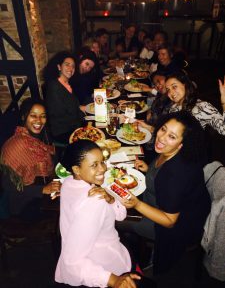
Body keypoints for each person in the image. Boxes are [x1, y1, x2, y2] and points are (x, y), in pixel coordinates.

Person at [120, 111, 211, 275]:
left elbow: (169, 221)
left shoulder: (175, 174)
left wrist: (137, 204)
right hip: (158, 204)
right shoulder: (169, 153)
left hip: (170, 228)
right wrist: (149, 170)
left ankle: (133, 260)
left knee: (116, 218)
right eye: (163, 129)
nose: (162, 138)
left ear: (181, 144)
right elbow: (162, 177)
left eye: (172, 136)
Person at [55, 140, 140, 288]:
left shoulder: (68, 182)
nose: (103, 169)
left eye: (102, 162)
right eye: (94, 165)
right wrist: (113, 280)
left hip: (85, 251)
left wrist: (110, 198)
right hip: (105, 264)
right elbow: (72, 261)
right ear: (76, 169)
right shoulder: (95, 201)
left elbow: (119, 215)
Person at [0, 98, 61, 220]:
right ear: (24, 117)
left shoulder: (37, 135)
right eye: (33, 115)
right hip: (23, 204)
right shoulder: (16, 146)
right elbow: (10, 189)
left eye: (43, 116)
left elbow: (49, 156)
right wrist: (43, 189)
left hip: (42, 184)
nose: (39, 120)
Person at [165, 71, 225, 135]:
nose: (171, 92)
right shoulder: (173, 108)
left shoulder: (201, 106)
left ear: (185, 84)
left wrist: (224, 101)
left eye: (174, 87)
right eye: (168, 90)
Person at [44, 51, 85, 144]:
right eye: (67, 64)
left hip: (72, 124)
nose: (71, 68)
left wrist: (85, 108)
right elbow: (61, 116)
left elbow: (72, 106)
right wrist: (83, 117)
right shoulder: (54, 87)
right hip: (62, 131)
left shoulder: (67, 84)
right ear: (59, 67)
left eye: (73, 66)